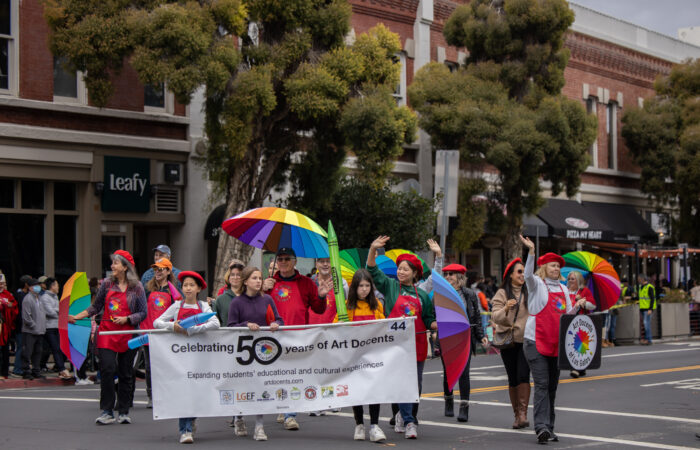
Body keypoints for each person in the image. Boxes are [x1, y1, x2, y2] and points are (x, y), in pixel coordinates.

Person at [366, 236, 437, 440]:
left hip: (417, 345)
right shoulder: (389, 286)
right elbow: (372, 270)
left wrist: (439, 326)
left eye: (405, 269)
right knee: (401, 383)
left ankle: (404, 415)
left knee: (416, 386)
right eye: (399, 268)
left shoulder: (422, 295)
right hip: (394, 345)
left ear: (415, 273)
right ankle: (409, 421)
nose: (401, 272)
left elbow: (429, 319)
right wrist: (373, 248)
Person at [520, 235, 586, 444]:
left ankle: (550, 426)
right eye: (552, 265)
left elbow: (567, 315)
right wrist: (531, 252)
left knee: (552, 387)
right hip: (535, 342)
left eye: (558, 266)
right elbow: (527, 275)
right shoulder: (537, 285)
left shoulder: (565, 289)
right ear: (544, 267)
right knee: (541, 384)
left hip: (556, 344)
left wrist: (578, 305)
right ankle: (540, 427)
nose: (556, 269)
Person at [69, 250, 147, 425]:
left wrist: (127, 319)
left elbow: (143, 312)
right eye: (112, 263)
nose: (112, 266)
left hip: (128, 334)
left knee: (126, 373)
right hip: (106, 333)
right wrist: (77, 316)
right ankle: (107, 411)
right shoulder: (106, 285)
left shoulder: (138, 287)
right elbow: (95, 307)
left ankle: (124, 411)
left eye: (116, 263)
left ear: (125, 267)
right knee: (107, 370)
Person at [262, 247, 331, 431]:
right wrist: (262, 290)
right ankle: (282, 405)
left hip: (298, 337)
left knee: (293, 376)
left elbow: (318, 309)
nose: (283, 262)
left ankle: (290, 415)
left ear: (295, 261)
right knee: (277, 376)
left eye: (287, 259)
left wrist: (322, 296)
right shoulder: (268, 283)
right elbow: (258, 309)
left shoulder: (307, 283)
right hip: (273, 337)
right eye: (280, 259)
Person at [154, 270, 219, 444]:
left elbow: (215, 323)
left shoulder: (204, 306)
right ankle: (185, 430)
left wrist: (191, 329)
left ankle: (192, 418)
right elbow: (157, 322)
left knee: (196, 391)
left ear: (198, 288)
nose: (188, 289)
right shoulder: (176, 306)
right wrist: (172, 326)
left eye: (192, 285)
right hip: (179, 357)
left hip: (199, 357)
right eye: (185, 285)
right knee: (183, 391)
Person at [227, 266, 283, 441]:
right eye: (254, 278)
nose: (258, 281)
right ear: (245, 282)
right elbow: (230, 326)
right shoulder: (236, 302)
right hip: (243, 352)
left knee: (261, 387)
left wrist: (276, 324)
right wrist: (246, 325)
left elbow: (279, 318)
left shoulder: (267, 299)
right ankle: (239, 417)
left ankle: (259, 426)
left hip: (263, 351)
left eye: (259, 278)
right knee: (243, 387)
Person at [334, 269, 387, 442]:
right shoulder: (346, 307)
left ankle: (374, 425)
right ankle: (359, 424)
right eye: (360, 286)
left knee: (374, 391)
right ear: (354, 288)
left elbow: (384, 326)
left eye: (367, 286)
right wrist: (339, 324)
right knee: (357, 391)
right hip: (353, 357)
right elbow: (334, 329)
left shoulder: (377, 305)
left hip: (373, 356)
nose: (364, 289)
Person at [439, 263, 488, 423]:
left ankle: (464, 408)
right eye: (445, 275)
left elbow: (476, 317)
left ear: (460, 277)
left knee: (464, 373)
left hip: (465, 337)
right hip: (447, 337)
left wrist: (481, 336)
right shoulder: (440, 294)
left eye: (451, 274)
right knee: (448, 371)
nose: (448, 278)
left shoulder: (469, 294)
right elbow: (433, 315)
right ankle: (448, 400)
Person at [491, 258, 531, 429]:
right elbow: (495, 317)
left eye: (523, 271)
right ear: (511, 275)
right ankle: (516, 415)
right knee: (512, 377)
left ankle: (523, 414)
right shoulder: (502, 293)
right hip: (508, 340)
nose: (522, 275)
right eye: (519, 272)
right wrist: (506, 308)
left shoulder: (530, 291)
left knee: (523, 375)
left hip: (526, 340)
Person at [140, 258, 179, 408]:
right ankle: (151, 395)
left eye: (161, 269)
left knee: (167, 366)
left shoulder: (173, 291)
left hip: (166, 334)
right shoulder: (147, 288)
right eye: (156, 269)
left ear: (168, 271)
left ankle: (166, 393)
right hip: (148, 333)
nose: (158, 272)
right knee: (150, 366)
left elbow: (177, 311)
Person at [39, 277, 71, 379]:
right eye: (57, 285)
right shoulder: (44, 297)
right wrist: (60, 311)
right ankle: (61, 369)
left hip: (57, 326)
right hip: (49, 327)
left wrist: (58, 311)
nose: (58, 287)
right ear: (52, 286)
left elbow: (56, 311)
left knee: (61, 348)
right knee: (55, 348)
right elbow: (50, 312)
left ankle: (59, 367)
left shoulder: (55, 297)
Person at [566, 271, 595, 378]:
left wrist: (583, 302)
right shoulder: (565, 291)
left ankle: (577, 368)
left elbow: (592, 306)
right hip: (568, 322)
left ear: (578, 280)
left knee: (579, 345)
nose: (570, 281)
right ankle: (580, 368)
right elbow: (560, 306)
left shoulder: (584, 291)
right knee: (569, 345)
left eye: (572, 279)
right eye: (569, 279)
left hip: (581, 323)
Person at [21, 278, 47, 380]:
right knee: (27, 351)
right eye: (36, 285)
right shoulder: (27, 299)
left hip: (40, 331)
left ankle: (36, 370)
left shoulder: (39, 298)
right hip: (30, 331)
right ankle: (26, 371)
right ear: (30, 288)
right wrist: (34, 326)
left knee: (37, 352)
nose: (38, 287)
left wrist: (41, 327)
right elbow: (26, 317)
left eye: (39, 285)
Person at [213, 259, 245, 328]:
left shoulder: (249, 297)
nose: (235, 277)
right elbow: (215, 322)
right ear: (228, 277)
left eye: (239, 275)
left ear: (243, 278)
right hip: (227, 337)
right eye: (232, 275)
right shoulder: (220, 299)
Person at [11, 274, 32, 377]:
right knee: (20, 347)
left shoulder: (27, 294)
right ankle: (17, 368)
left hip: (26, 326)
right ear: (26, 284)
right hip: (20, 326)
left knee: (24, 347)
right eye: (30, 283)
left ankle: (22, 367)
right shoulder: (19, 295)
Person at [0, 274, 18, 379]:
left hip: (5, 327)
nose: (2, 285)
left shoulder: (8, 295)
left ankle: (4, 373)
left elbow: (14, 306)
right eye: (0, 284)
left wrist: (9, 306)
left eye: (3, 284)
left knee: (5, 351)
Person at [638, 274, 657, 345]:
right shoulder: (640, 287)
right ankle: (647, 339)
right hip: (642, 309)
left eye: (639, 279)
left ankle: (648, 339)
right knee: (646, 324)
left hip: (648, 309)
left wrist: (650, 309)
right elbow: (640, 298)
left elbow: (652, 299)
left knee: (646, 324)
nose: (638, 280)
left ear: (643, 279)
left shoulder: (649, 287)